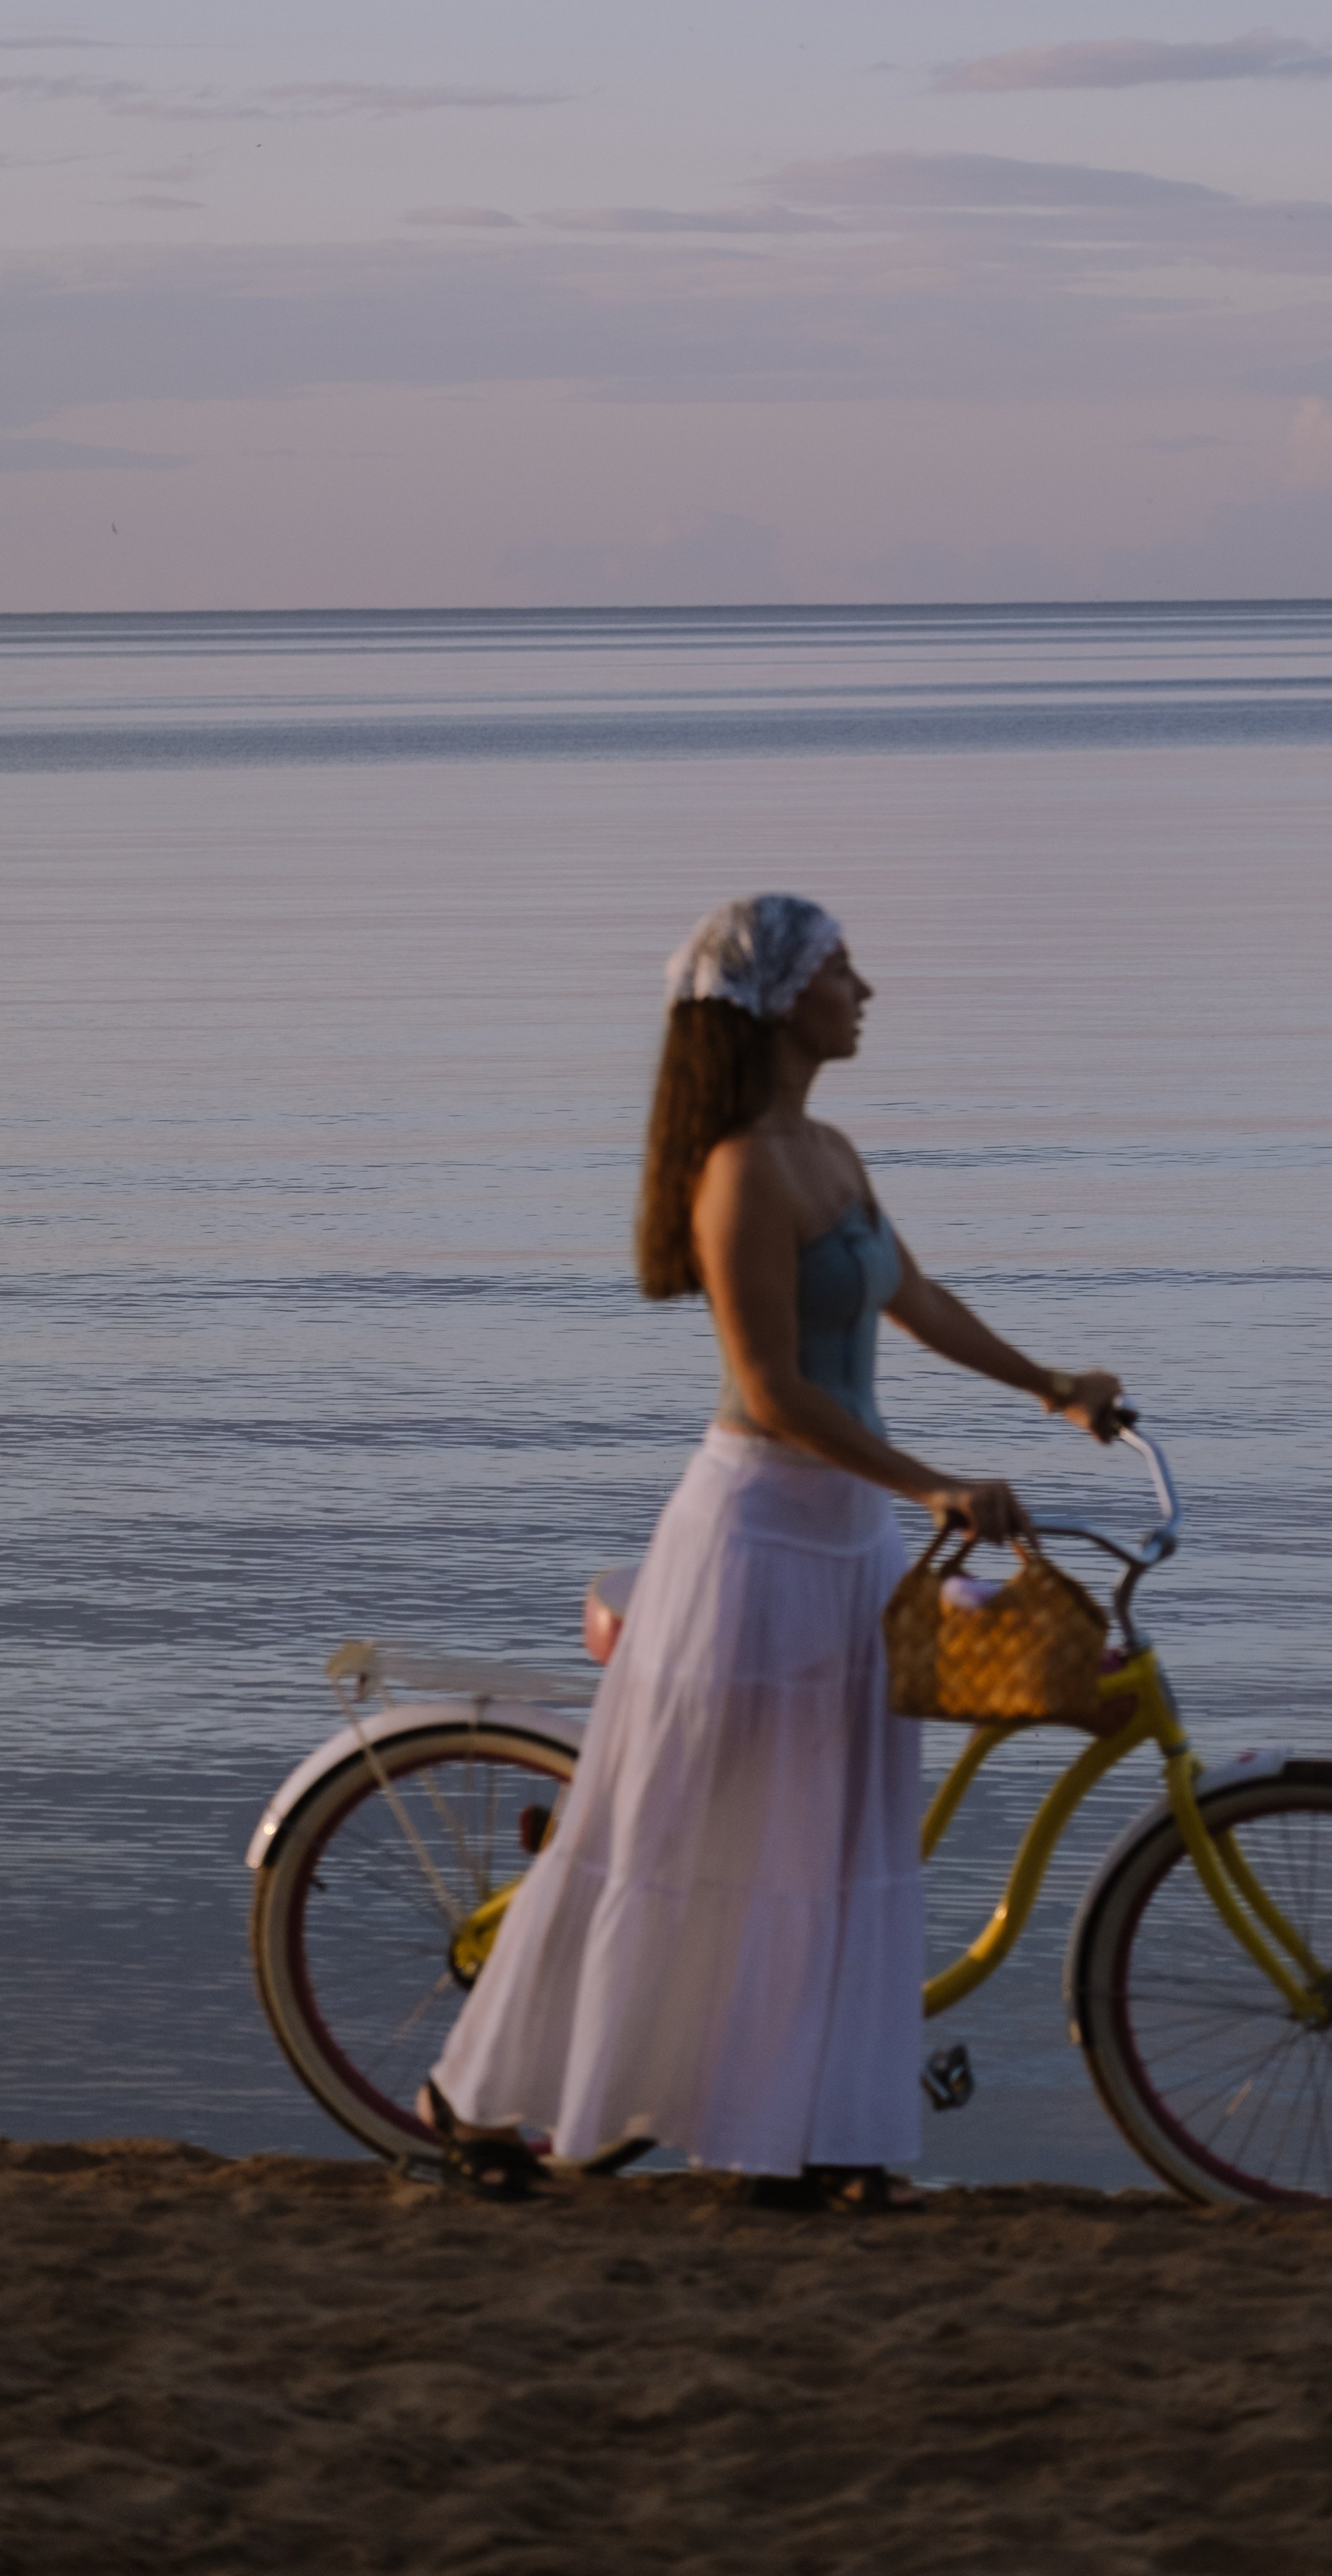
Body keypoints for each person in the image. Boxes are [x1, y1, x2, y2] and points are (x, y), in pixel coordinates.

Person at [423, 893, 1123, 2206]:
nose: (867, 990)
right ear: (779, 999)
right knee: (662, 1834)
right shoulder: (739, 1171)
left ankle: (800, 2140)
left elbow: (910, 1297)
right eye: (842, 970)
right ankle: (471, 2099)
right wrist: (935, 1487)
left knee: (832, 1843)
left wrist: (1050, 1385)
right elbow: (777, 1388)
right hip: (753, 1538)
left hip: (849, 1535)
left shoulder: (829, 1148)